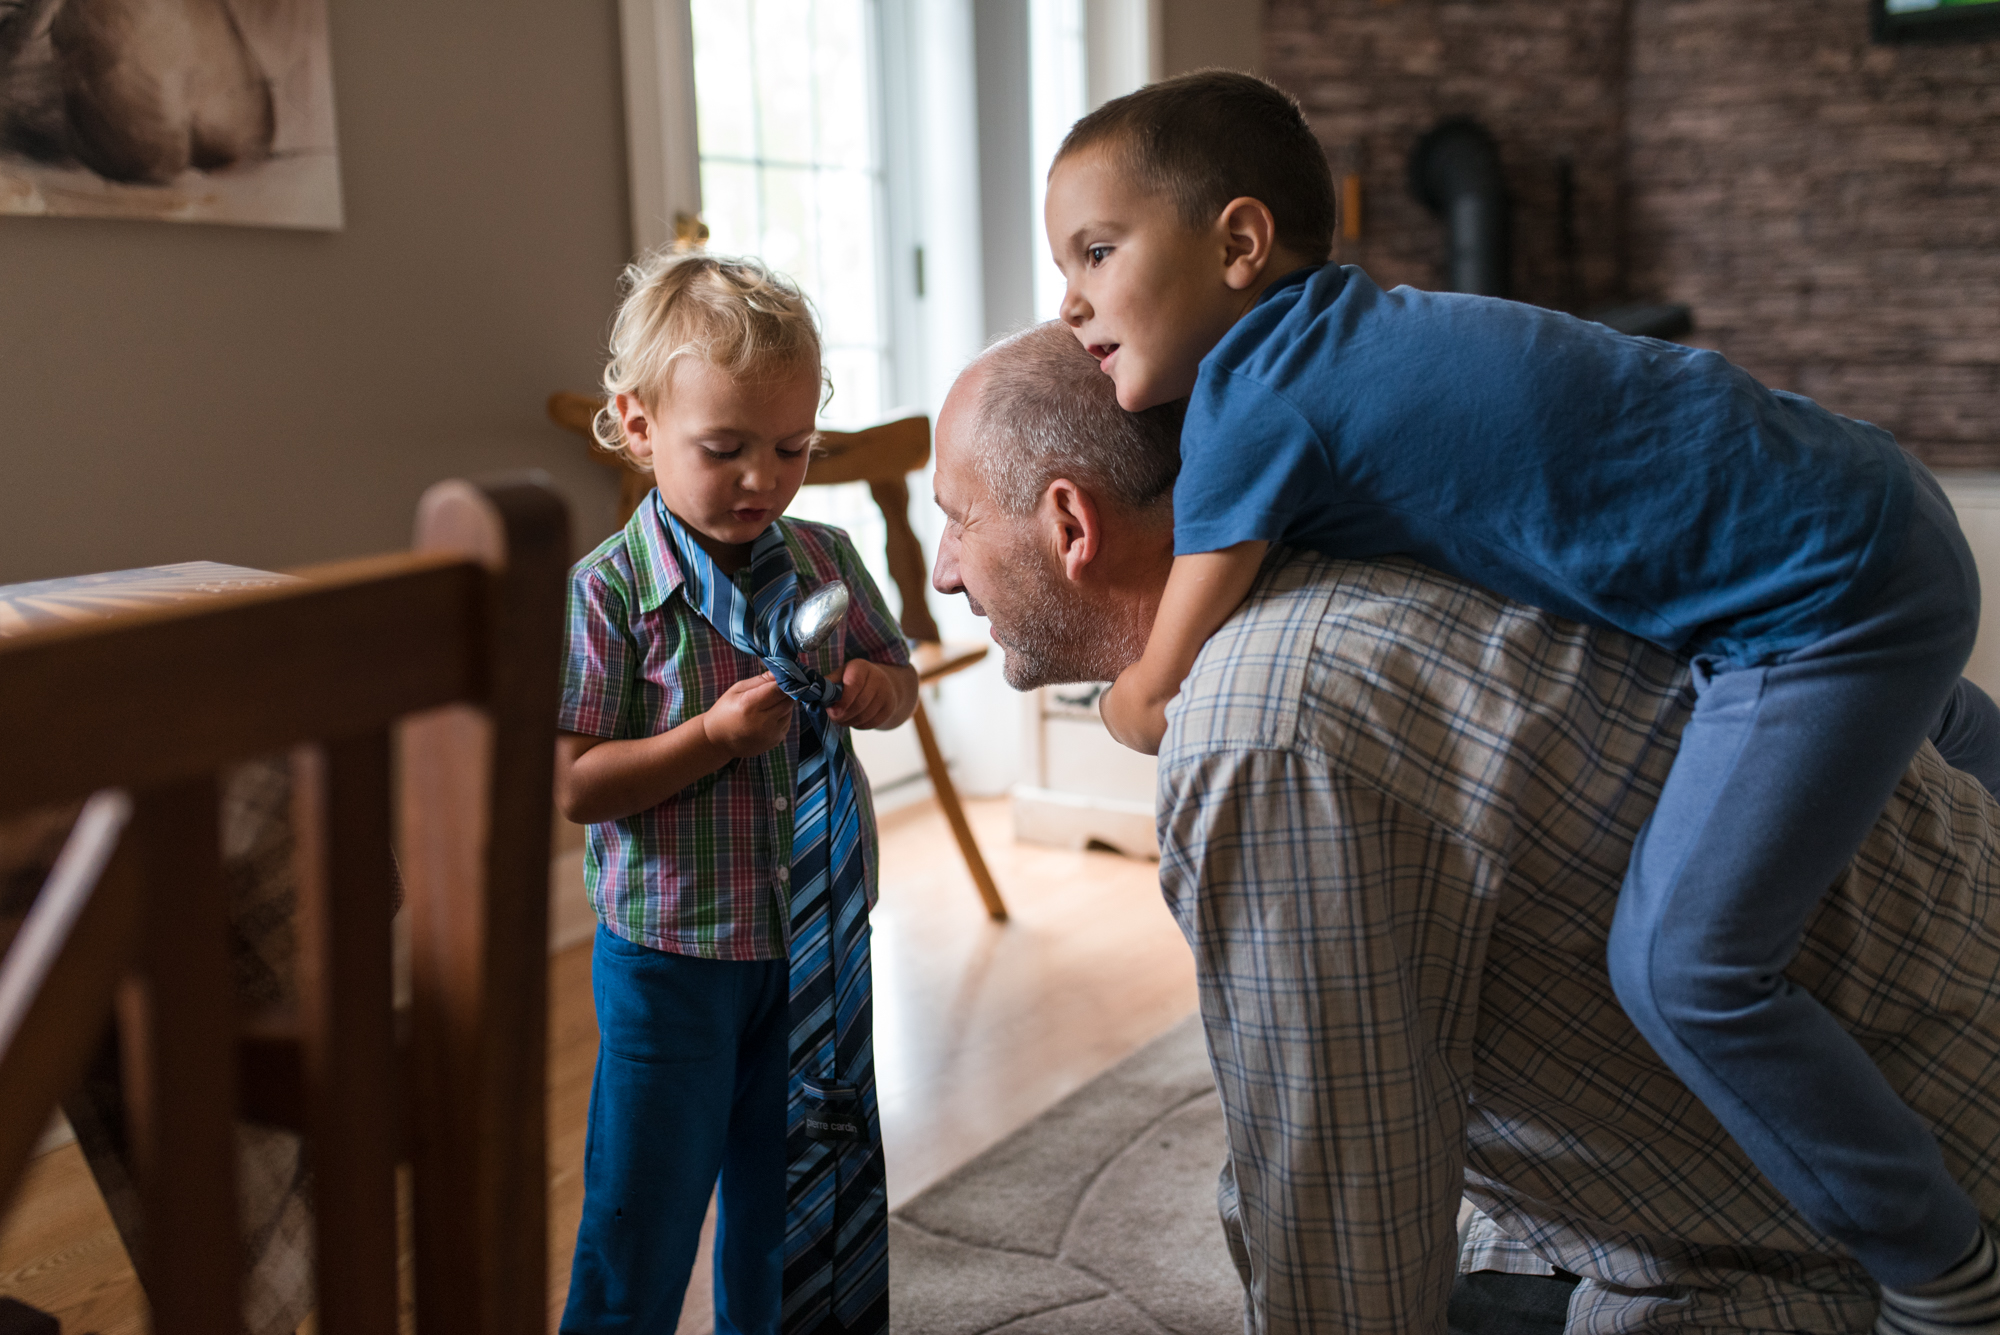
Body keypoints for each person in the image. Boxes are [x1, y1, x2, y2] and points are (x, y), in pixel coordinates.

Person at [1040, 69, 2000, 1333]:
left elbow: (1164, 681)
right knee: (1928, 740)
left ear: (1236, 243)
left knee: (1684, 969)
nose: (1070, 302)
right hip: (1869, 499)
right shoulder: (1366, 332)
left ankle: (1938, 1267)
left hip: (1824, 601)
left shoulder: (1249, 399)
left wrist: (1114, 708)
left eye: (1096, 253)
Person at [553, 251, 917, 1335]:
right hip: (672, 955)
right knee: (643, 1204)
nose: (763, 477)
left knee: (790, 1191)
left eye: (791, 447)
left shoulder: (826, 556)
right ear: (636, 424)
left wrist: (872, 690)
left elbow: (896, 680)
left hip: (813, 942)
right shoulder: (607, 594)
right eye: (725, 449)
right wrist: (710, 737)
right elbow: (578, 785)